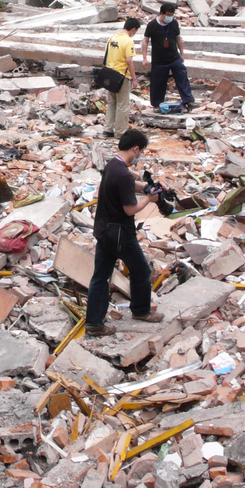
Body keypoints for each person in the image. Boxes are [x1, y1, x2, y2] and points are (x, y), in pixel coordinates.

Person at [86, 129, 164, 336]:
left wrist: (146, 188)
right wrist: (149, 199)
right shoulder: (123, 174)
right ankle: (141, 310)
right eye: (141, 151)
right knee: (142, 271)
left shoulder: (113, 165)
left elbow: (128, 183)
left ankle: (94, 323)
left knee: (100, 277)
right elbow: (130, 209)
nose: (140, 155)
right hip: (121, 234)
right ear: (135, 149)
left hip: (104, 231)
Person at [141, 2, 194, 112]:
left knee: (182, 77)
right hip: (159, 60)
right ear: (161, 13)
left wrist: (182, 54)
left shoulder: (174, 23)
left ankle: (188, 100)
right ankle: (157, 104)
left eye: (172, 14)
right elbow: (145, 41)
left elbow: (179, 38)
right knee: (158, 83)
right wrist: (144, 57)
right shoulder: (152, 25)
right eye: (168, 14)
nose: (170, 17)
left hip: (174, 57)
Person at [103, 17, 141, 137]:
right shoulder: (128, 41)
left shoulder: (112, 39)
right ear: (134, 29)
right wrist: (134, 79)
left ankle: (108, 129)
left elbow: (106, 57)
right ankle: (120, 132)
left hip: (110, 75)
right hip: (122, 76)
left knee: (112, 103)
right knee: (123, 105)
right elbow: (129, 61)